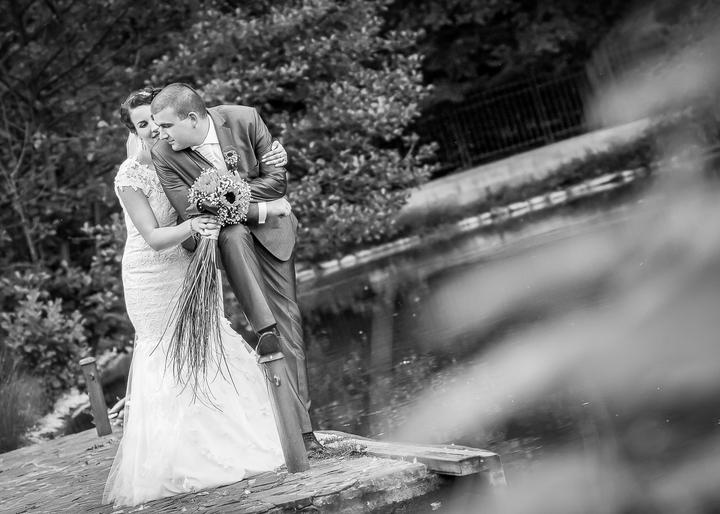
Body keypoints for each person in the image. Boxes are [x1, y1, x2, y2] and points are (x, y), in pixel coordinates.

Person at [103, 87, 288, 507]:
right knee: (166, 356)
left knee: (209, 341)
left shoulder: (184, 154)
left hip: (191, 265)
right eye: (143, 125)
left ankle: (234, 444)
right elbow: (153, 238)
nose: (154, 130)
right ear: (133, 132)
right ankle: (181, 460)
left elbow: (232, 183)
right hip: (151, 276)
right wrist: (194, 224)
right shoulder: (130, 176)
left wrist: (274, 156)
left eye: (156, 121)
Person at [149, 83, 322, 452]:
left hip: (274, 234)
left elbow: (278, 181)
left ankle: (304, 433)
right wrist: (258, 205)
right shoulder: (163, 154)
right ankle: (264, 328)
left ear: (191, 118)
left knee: (290, 326)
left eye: (165, 126)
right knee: (236, 237)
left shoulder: (244, 119)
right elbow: (192, 210)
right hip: (230, 241)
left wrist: (228, 193)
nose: (160, 134)